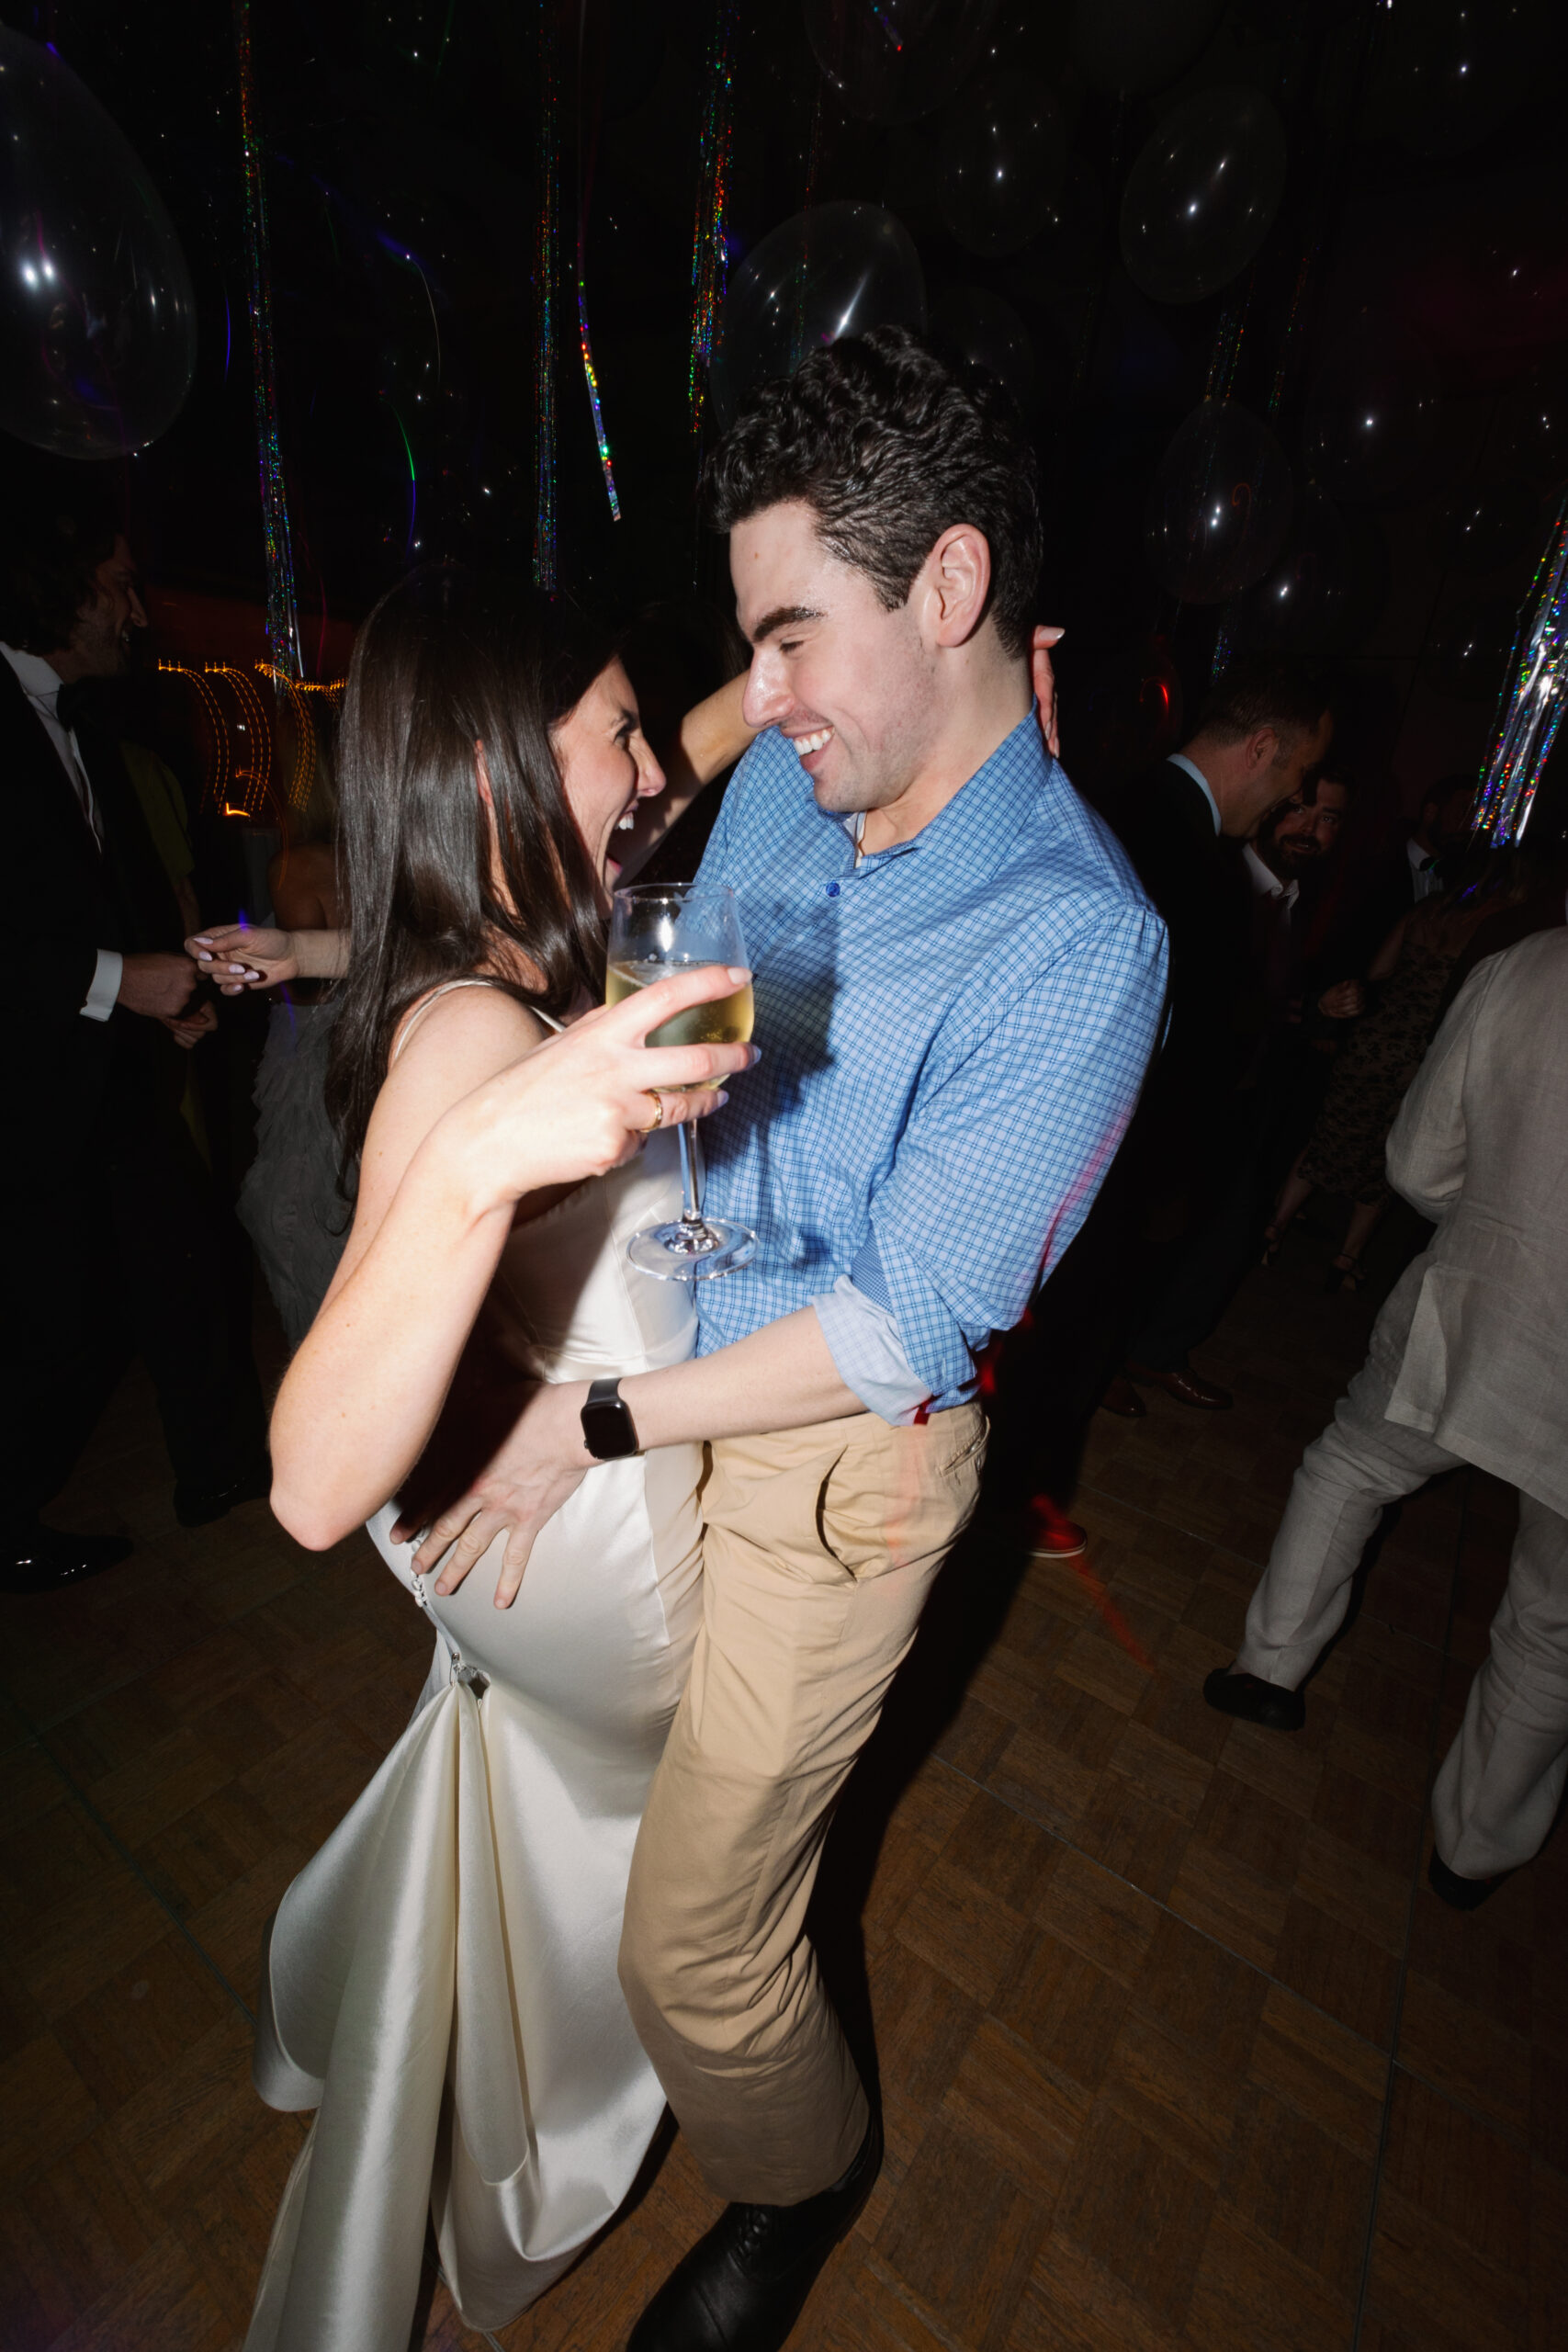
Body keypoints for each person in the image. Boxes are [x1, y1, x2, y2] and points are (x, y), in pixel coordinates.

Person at [398, 328, 1166, 2352]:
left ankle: (798, 2177)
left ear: (953, 586)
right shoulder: (804, 804)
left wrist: (595, 1416)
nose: (766, 701)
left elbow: (900, 1317)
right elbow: (737, 1054)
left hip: (832, 1469)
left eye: (792, 639)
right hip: (674, 1357)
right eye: (750, 649)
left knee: (697, 1947)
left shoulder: (1077, 935)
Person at [240, 567, 758, 2351]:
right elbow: (309, 1474)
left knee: (543, 1795)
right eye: (617, 730)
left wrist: (771, 690)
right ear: (489, 781)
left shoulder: (486, 940)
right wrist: (483, 1157)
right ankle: (560, 2122)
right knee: (639, 1831)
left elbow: (653, 760)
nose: (652, 764)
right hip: (578, 1557)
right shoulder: (468, 1027)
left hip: (508, 1521)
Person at [1205, 930, 1568, 1911]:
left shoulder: (1527, 967)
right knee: (1554, 1621)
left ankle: (1268, 1669)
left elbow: (1415, 1161)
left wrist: (1489, 1212)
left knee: (1352, 1467)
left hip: (1484, 1304)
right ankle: (1475, 1849)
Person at [0, 480, 267, 1593]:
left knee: (181, 1255)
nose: (138, 613)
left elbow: (103, 901)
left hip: (107, 1068)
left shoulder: (87, 726)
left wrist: (175, 987)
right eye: (117, 587)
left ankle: (226, 1470)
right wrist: (120, 980)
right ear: (56, 589)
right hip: (29, 1085)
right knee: (62, 1316)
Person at [1094, 659, 1333, 1415]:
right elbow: (1162, 1032)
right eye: (1301, 771)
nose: (1297, 795)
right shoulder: (1181, 847)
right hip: (1114, 1143)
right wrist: (1166, 1168)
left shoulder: (1129, 804)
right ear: (1260, 747)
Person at [1262, 849, 1529, 1291]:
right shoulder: (1500, 926)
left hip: (1375, 1040)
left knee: (1329, 1132)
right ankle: (1346, 1258)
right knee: (1388, 1152)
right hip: (1423, 1053)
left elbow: (1378, 970)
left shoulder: (1428, 909)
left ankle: (1273, 1227)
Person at [236, 753, 351, 1348]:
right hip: (379, 1030)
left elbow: (305, 988)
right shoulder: (381, 857)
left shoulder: (295, 865)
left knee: (293, 1203)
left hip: (316, 1037)